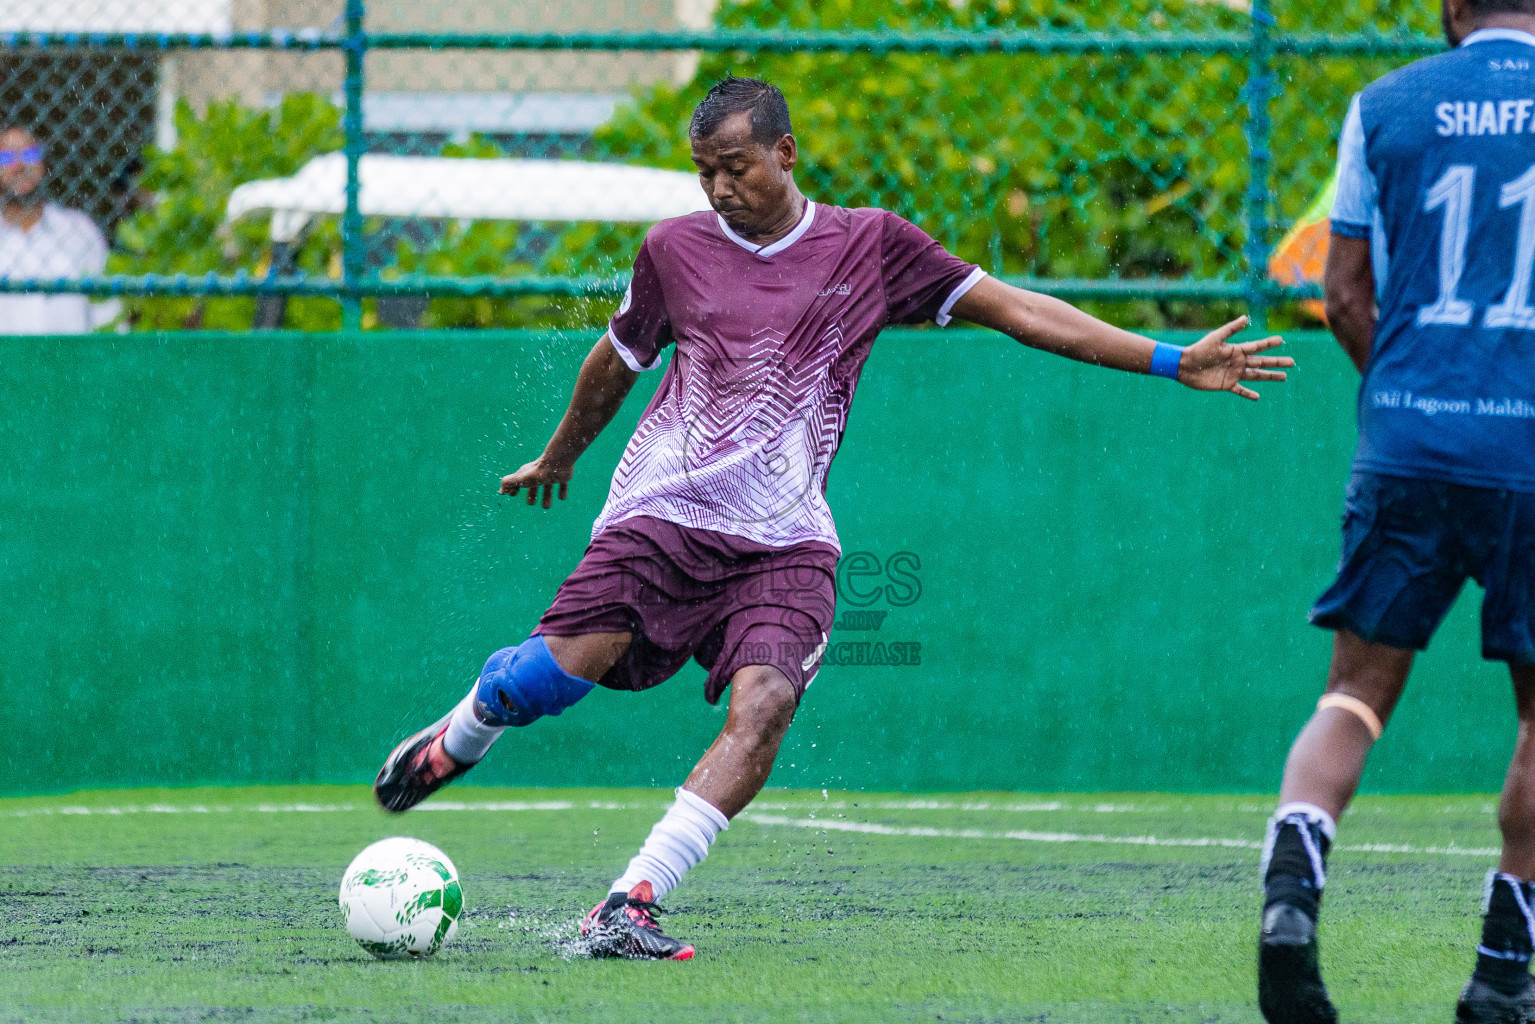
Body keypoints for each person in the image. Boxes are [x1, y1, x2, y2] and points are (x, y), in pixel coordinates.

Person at [374, 76, 1292, 961]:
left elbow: (1016, 310)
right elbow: (618, 359)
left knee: (766, 703)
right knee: (548, 680)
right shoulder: (673, 251)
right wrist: (563, 453)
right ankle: (464, 734)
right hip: (661, 514)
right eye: (705, 171)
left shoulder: (871, 245)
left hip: (786, 537)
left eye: (737, 165)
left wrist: (1171, 360)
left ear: (785, 152)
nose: (721, 186)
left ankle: (631, 900)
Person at [1256, 3, 1535, 1022]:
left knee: (1353, 695)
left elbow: (1339, 294)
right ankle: (1501, 970)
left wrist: (1407, 397)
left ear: (1451, 9)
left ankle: (1290, 891)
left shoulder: (1383, 106)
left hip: (1408, 442)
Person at [0, 126, 115, 334]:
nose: (19, 165)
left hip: (71, 361)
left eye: (29, 154)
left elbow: (107, 312)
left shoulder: (78, 230)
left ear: (43, 163)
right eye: (7, 157)